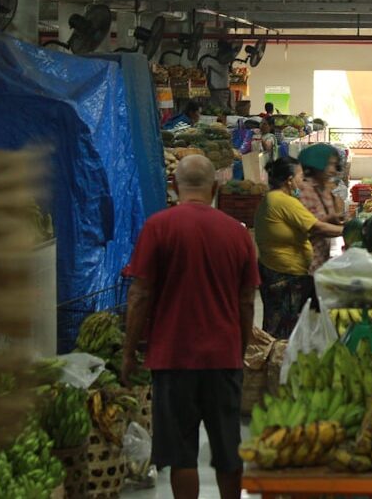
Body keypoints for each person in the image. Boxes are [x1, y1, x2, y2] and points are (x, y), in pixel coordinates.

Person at [121, 155, 258, 499]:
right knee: (228, 450)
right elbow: (246, 301)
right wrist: (239, 349)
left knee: (181, 454)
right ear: (215, 187)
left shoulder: (158, 227)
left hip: (172, 359)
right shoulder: (237, 233)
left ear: (173, 186)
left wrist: (129, 352)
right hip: (223, 359)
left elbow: (139, 294)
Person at [253, 157, 344, 338]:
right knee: (284, 329)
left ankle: (276, 353)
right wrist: (349, 230)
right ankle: (280, 355)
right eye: (301, 176)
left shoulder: (273, 198)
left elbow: (302, 226)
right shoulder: (284, 201)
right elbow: (317, 228)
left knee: (277, 323)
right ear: (289, 180)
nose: (303, 181)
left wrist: (331, 220)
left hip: (274, 269)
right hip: (285, 275)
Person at [296, 144, 346, 273]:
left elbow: (320, 219)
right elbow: (313, 227)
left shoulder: (324, 189)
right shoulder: (305, 190)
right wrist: (348, 230)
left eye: (334, 165)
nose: (333, 170)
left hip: (320, 258)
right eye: (329, 165)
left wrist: (334, 217)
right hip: (305, 263)